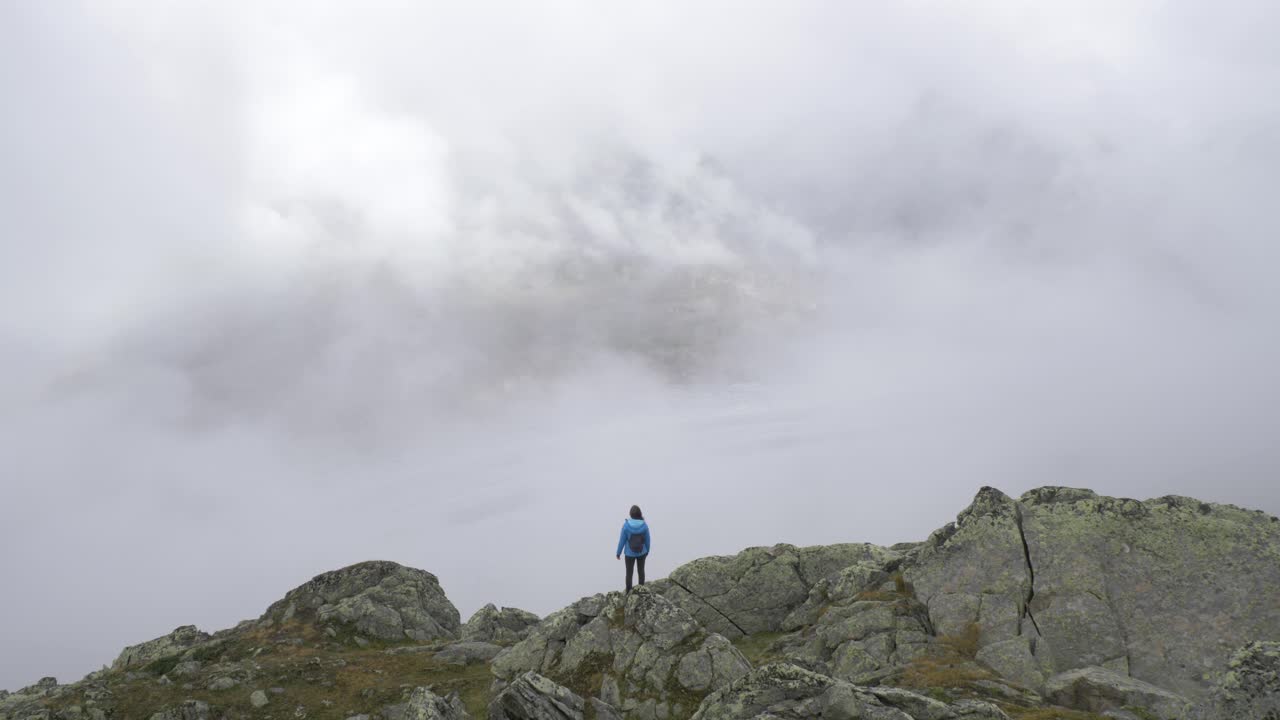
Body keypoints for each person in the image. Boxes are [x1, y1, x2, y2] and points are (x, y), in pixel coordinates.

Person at [615, 504, 651, 593]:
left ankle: (628, 592)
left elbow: (622, 540)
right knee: (641, 571)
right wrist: (647, 551)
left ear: (630, 514)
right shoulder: (644, 525)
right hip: (642, 552)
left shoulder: (626, 526)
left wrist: (618, 552)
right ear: (640, 513)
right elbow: (648, 540)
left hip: (629, 553)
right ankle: (642, 591)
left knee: (629, 573)